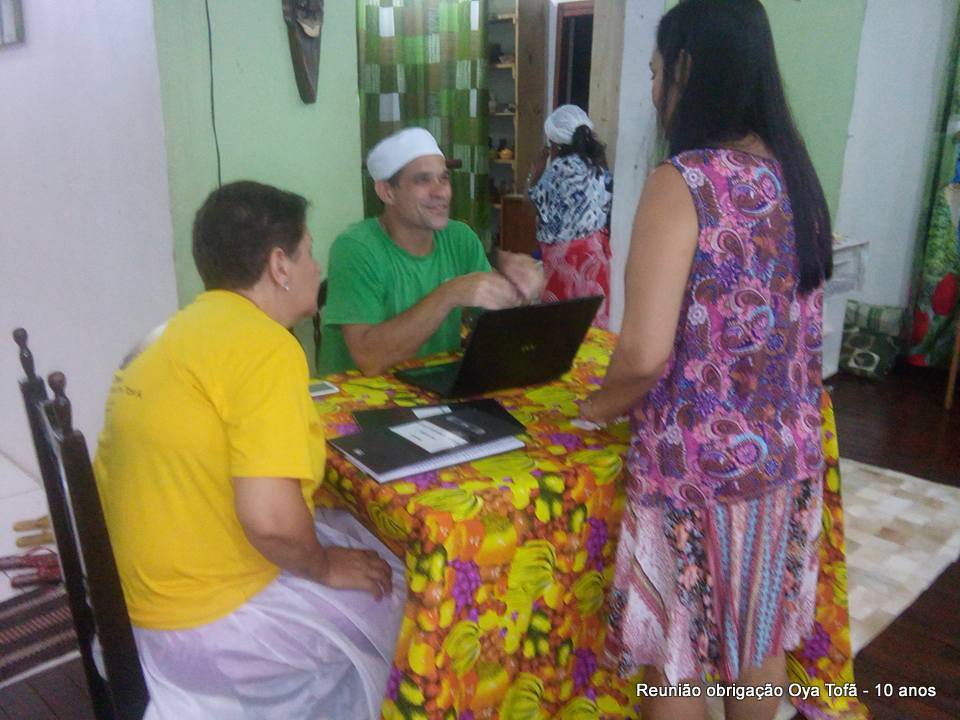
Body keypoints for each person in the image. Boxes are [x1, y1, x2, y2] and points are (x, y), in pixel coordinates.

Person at [579, 2, 833, 719]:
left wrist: (591, 411)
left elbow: (642, 354)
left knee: (679, 657)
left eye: (656, 71)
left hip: (695, 470)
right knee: (757, 638)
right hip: (784, 457)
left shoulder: (685, 181)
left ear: (687, 67)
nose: (653, 90)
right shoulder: (794, 175)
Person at [94, 181, 405, 720]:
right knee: (407, 589)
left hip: (134, 606)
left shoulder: (167, 334)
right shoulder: (264, 347)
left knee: (346, 530)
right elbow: (272, 522)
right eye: (309, 252)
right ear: (279, 265)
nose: (316, 269)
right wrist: (324, 567)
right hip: (206, 627)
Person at [319, 127, 544, 375]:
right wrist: (449, 293)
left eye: (444, 178)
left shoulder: (460, 238)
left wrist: (519, 291)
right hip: (359, 395)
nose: (440, 192)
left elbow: (500, 324)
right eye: (423, 180)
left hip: (435, 386)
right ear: (387, 192)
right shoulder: (356, 249)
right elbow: (369, 358)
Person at [527, 104, 613, 328]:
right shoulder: (598, 166)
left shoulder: (559, 169)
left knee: (561, 326)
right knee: (592, 323)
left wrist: (536, 172)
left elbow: (538, 204)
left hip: (565, 261)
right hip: (595, 256)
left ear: (556, 144)